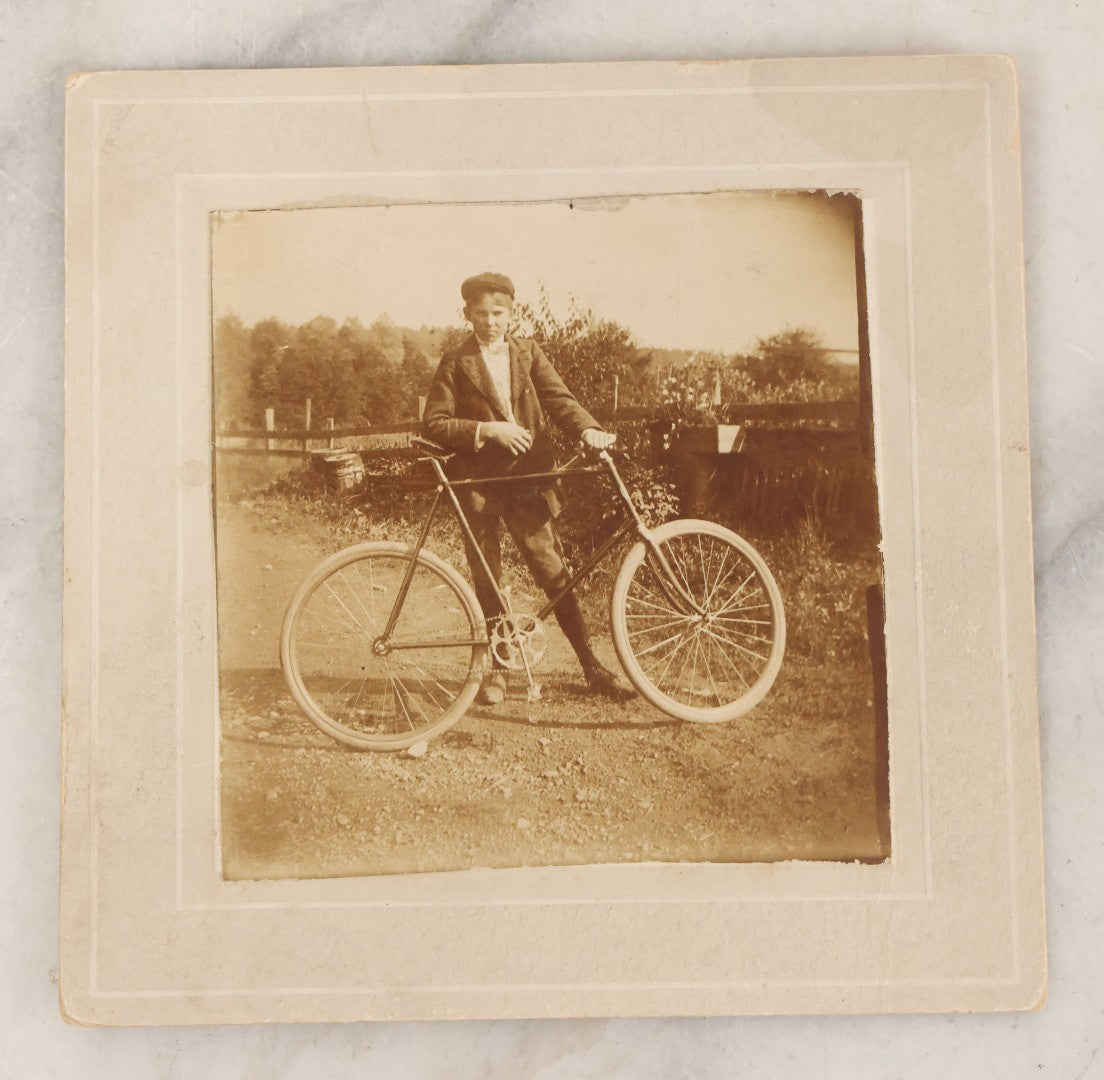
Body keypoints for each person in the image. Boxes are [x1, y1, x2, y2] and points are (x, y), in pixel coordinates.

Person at [422, 271, 634, 705]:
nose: (489, 322)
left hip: (528, 482)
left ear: (511, 314)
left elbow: (560, 400)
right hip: (478, 484)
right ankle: (499, 670)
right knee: (487, 577)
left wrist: (589, 430)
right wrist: (488, 428)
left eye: (497, 313)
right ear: (467, 315)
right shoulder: (454, 360)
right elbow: (435, 424)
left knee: (553, 572)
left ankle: (592, 665)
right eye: (480, 314)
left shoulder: (529, 353)